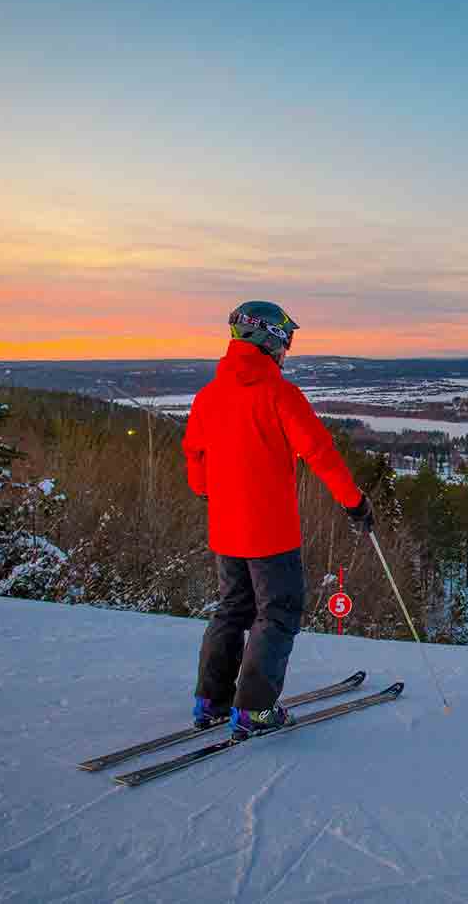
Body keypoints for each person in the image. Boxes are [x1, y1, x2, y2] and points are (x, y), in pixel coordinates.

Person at [182, 301, 374, 741]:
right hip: (269, 532)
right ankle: (254, 709)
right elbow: (321, 454)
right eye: (285, 342)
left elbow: (194, 454)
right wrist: (354, 502)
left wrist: (205, 488)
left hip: (226, 529)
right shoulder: (279, 395)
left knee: (232, 609)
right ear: (270, 341)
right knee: (278, 612)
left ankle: (211, 701)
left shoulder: (209, 395)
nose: (287, 351)